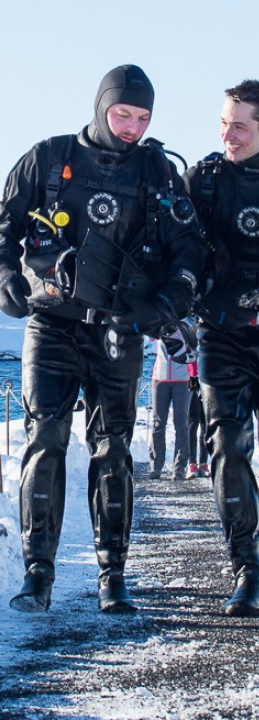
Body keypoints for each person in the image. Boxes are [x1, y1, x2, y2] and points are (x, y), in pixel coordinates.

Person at [0, 64, 204, 614]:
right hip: (52, 321)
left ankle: (114, 576)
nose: (132, 125)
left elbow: (190, 251)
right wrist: (5, 275)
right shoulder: (47, 158)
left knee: (112, 450)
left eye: (142, 117)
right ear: (101, 106)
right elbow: (2, 228)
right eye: (123, 113)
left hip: (119, 329)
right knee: (47, 438)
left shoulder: (159, 174)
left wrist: (170, 301)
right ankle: (37, 575)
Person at [185, 79, 259, 617]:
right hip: (223, 333)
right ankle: (247, 569)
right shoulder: (204, 183)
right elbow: (165, 245)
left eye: (240, 125)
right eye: (223, 123)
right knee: (227, 447)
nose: (227, 134)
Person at [149, 330, 192, 481]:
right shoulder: (160, 323)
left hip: (182, 379)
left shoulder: (187, 324)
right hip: (160, 378)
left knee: (181, 423)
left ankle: (179, 468)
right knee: (158, 424)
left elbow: (194, 349)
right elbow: (150, 335)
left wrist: (193, 375)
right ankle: (156, 466)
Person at [186, 356, 209, 479]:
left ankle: (203, 462)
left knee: (206, 426)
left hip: (207, 383)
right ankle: (191, 464)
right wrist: (192, 375)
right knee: (192, 426)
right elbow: (188, 357)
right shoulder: (191, 339)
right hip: (192, 383)